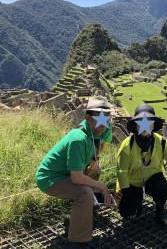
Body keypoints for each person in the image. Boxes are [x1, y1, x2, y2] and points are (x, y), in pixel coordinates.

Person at [35, 96, 114, 248]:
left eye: (107, 119)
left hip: (66, 173)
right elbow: (77, 178)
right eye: (99, 119)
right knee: (84, 192)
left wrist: (95, 160)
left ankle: (85, 212)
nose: (103, 125)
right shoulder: (78, 138)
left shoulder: (100, 129)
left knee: (95, 172)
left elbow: (101, 142)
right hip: (49, 178)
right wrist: (102, 186)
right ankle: (78, 242)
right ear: (88, 117)